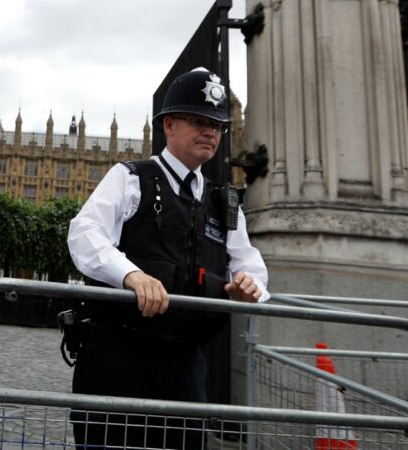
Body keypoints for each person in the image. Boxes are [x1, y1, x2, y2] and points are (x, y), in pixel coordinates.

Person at [66, 68, 269, 449]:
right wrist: (131, 275)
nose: (210, 131)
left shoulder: (224, 201)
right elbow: (84, 234)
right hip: (118, 355)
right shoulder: (129, 177)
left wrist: (250, 286)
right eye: (199, 121)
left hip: (184, 362)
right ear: (169, 125)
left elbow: (249, 263)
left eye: (217, 125)